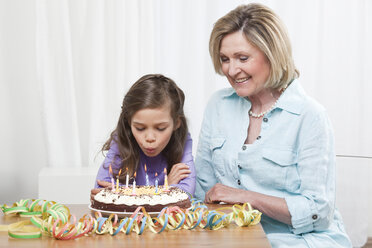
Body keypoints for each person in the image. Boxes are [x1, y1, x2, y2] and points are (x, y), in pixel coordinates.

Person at [195, 3, 351, 247]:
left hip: (299, 239)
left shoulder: (310, 116)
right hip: (235, 237)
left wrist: (245, 198)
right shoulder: (218, 106)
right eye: (225, 59)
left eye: (242, 58)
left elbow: (318, 212)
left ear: (272, 54)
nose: (232, 70)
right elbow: (202, 191)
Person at [91, 74, 196, 198]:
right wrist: (165, 188)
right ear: (129, 122)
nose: (150, 138)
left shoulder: (182, 140)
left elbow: (187, 193)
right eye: (140, 128)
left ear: (176, 123)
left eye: (160, 128)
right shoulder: (121, 139)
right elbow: (100, 190)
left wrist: (122, 192)